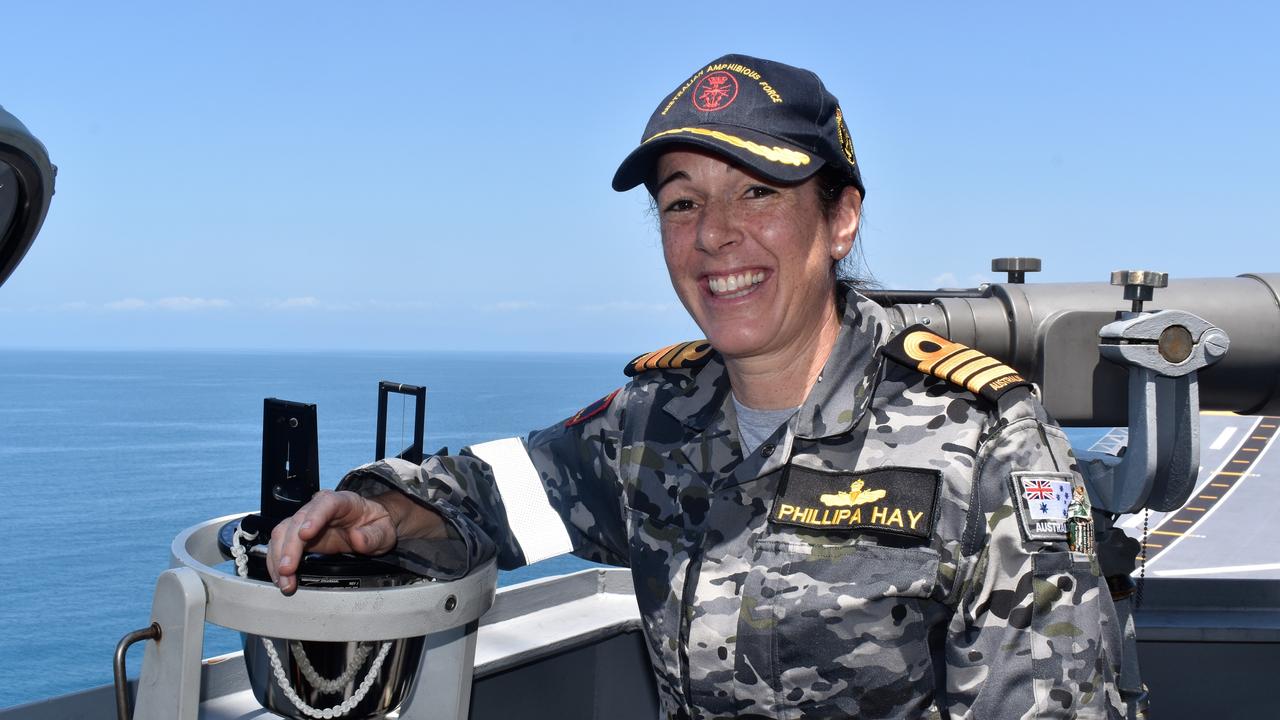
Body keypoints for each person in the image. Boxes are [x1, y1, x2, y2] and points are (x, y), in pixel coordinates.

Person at [267, 54, 1124, 719]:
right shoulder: (653, 421)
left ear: (840, 218)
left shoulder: (984, 442)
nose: (716, 234)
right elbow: (494, 496)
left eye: (759, 192)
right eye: (682, 203)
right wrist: (383, 513)